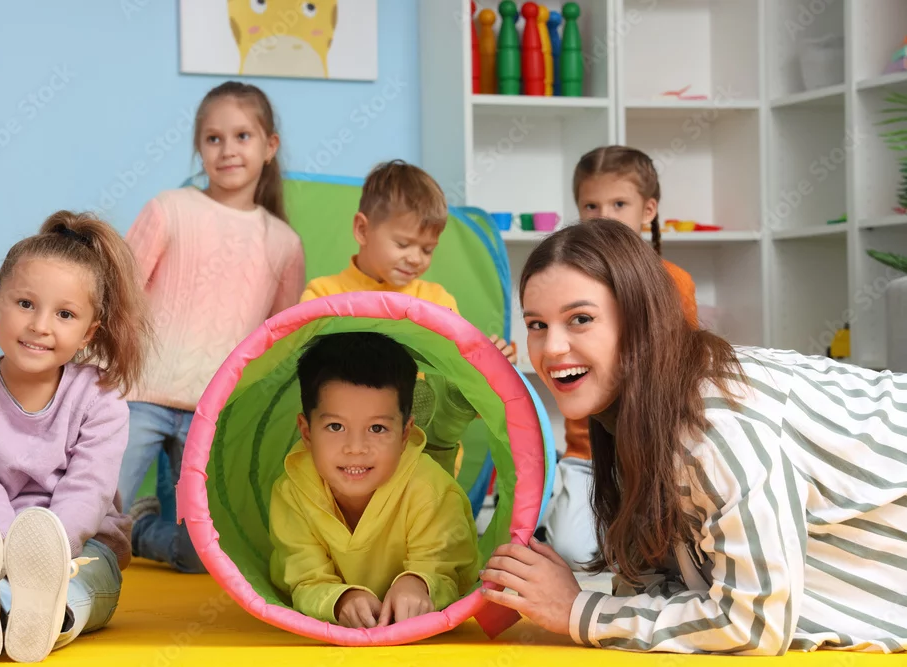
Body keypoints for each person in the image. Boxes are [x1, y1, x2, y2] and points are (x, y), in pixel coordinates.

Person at [480, 219, 907, 654]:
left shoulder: (717, 421)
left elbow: (754, 624)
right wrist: (566, 600)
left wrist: (578, 610)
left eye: (581, 319)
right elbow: (663, 583)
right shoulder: (634, 411)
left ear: (640, 321)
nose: (552, 348)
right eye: (536, 324)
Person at [0, 211, 153, 664]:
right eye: (26, 304)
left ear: (89, 332)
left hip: (80, 549)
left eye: (65, 314)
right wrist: (6, 557)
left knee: (78, 589)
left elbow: (88, 489)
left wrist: (45, 556)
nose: (40, 325)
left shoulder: (101, 398)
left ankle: (41, 615)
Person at [117, 81, 306, 574]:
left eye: (242, 136)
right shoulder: (169, 209)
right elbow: (119, 292)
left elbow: (277, 344)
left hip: (212, 413)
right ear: (199, 147)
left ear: (269, 146)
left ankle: (140, 528)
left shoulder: (284, 244)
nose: (227, 150)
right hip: (139, 395)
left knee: (201, 555)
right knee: (91, 518)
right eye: (213, 138)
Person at [300, 159, 516, 476]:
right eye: (403, 244)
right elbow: (301, 378)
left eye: (427, 249)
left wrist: (491, 368)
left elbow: (461, 389)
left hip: (423, 459)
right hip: (348, 455)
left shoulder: (438, 302)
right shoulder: (324, 295)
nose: (415, 258)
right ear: (362, 230)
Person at [540, 145, 700, 570]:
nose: (603, 217)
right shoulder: (567, 280)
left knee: (662, 552)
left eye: (618, 204)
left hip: (653, 452)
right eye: (590, 206)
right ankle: (571, 510)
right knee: (575, 552)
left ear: (648, 210)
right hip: (587, 455)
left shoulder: (674, 283)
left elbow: (684, 368)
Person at [269, 332, 480, 628]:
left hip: (418, 485)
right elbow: (303, 578)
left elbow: (446, 571)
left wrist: (418, 584)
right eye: (335, 426)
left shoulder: (432, 491)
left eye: (377, 429)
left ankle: (445, 427)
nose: (356, 448)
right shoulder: (293, 490)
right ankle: (441, 429)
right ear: (306, 432)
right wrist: (341, 599)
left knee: (428, 471)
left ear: (405, 434)